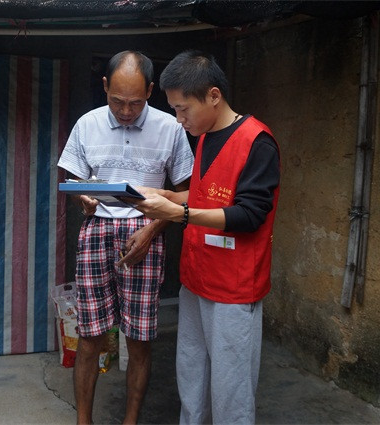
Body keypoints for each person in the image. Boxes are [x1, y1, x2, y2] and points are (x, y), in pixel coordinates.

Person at [130, 50, 280, 424]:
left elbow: (249, 214)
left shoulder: (257, 142)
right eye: (175, 110)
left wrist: (179, 214)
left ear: (214, 96)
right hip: (196, 278)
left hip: (233, 287)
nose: (179, 120)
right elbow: (205, 195)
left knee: (231, 386)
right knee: (192, 372)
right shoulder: (204, 136)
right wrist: (168, 195)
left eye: (183, 109)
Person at [57, 50, 194, 425]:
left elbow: (187, 193)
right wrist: (83, 197)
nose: (126, 111)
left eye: (135, 102)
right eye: (117, 101)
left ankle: (130, 421)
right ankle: (83, 421)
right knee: (91, 336)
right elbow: (72, 178)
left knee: (139, 339)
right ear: (105, 87)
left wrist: (151, 231)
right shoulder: (87, 124)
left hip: (145, 232)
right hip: (97, 231)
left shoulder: (170, 128)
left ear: (150, 90)